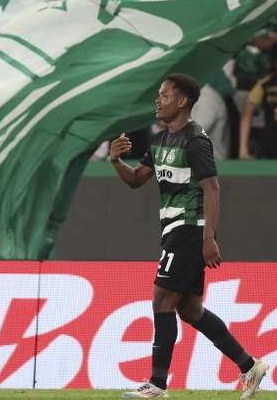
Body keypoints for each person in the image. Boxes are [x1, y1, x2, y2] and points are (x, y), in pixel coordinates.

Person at [107, 74, 268, 399]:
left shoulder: (196, 140)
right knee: (190, 309)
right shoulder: (160, 138)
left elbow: (213, 188)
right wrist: (115, 160)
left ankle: (157, 385)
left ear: (182, 101)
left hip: (190, 228)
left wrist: (209, 238)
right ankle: (249, 366)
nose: (158, 100)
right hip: (172, 229)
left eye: (164, 95)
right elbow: (137, 179)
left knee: (161, 300)